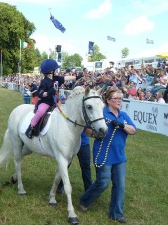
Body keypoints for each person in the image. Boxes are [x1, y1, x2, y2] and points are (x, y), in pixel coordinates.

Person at [80, 86, 136, 224]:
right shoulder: (102, 112)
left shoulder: (123, 115)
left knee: (120, 185)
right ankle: (85, 200)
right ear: (108, 100)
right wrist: (95, 134)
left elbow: (133, 130)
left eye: (120, 98)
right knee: (103, 182)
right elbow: (87, 128)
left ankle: (116, 214)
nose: (119, 101)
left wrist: (122, 126)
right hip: (103, 154)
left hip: (119, 156)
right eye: (116, 98)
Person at [25, 59, 75, 139]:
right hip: (46, 102)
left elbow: (66, 78)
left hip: (56, 102)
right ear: (51, 71)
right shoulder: (44, 81)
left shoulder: (57, 78)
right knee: (41, 112)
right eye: (55, 69)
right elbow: (41, 94)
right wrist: (49, 92)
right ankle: (31, 127)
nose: (56, 70)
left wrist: (76, 77)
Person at [57, 129, 92, 194]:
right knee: (65, 165)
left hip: (83, 143)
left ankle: (89, 190)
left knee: (86, 166)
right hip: (69, 143)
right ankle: (59, 186)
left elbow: (89, 130)